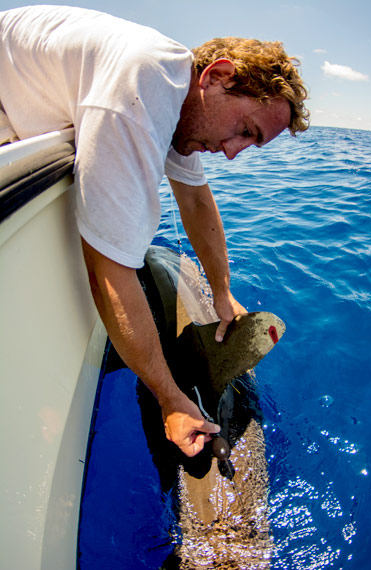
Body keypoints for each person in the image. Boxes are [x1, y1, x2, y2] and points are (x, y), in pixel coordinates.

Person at [0, 5, 309, 457]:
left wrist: (221, 295)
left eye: (252, 143)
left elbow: (197, 201)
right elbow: (108, 271)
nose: (232, 153)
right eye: (245, 129)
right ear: (217, 76)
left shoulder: (175, 95)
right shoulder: (136, 92)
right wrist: (170, 399)